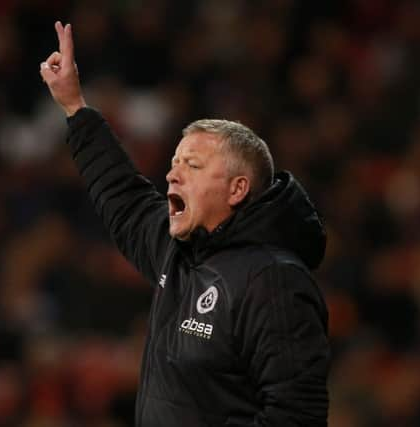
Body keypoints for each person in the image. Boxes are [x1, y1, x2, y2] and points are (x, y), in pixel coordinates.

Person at [41, 21, 330, 427]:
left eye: (192, 165)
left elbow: (296, 417)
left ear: (237, 189)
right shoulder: (177, 251)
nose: (173, 175)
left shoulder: (274, 281)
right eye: (175, 163)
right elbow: (124, 197)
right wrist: (75, 107)